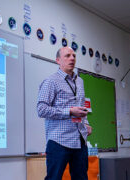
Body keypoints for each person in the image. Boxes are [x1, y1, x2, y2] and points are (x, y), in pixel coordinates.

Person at [37, 46, 92, 180]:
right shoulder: (51, 81)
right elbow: (41, 109)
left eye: (73, 56)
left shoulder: (80, 82)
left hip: (79, 140)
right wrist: (69, 112)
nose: (72, 58)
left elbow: (81, 105)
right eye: (67, 56)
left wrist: (86, 123)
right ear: (58, 60)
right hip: (59, 141)